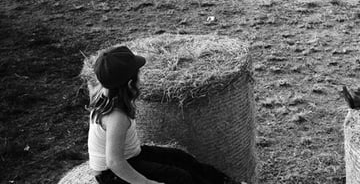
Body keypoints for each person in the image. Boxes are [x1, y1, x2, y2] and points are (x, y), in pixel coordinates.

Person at [87, 45, 243, 184]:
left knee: (181, 158)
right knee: (180, 178)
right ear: (129, 84)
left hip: (133, 156)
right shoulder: (116, 117)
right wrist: (146, 182)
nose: (141, 80)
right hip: (112, 175)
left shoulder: (104, 91)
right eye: (138, 76)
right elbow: (114, 162)